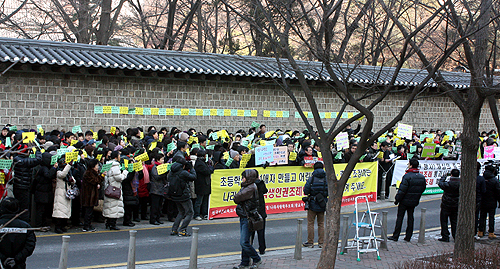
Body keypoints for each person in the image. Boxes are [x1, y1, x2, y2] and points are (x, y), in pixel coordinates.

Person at [388, 158, 426, 242]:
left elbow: (402, 190)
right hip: (414, 200)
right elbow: (423, 188)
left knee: (400, 218)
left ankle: (396, 236)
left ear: (411, 165)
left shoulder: (407, 176)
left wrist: (397, 199)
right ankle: (408, 236)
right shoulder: (421, 177)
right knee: (410, 217)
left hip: (404, 200)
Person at [233, 169, 262, 269]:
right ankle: (244, 262)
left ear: (249, 178)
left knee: (244, 242)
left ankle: (256, 258)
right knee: (245, 241)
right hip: (244, 216)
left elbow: (236, 198)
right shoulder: (247, 187)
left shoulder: (250, 188)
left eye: (244, 177)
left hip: (248, 217)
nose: (242, 179)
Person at [0, 198, 36, 269]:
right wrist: (17, 259)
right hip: (19, 264)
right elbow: (30, 245)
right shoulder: (25, 227)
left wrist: (3, 258)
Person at [302, 162, 328, 248]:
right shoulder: (326, 179)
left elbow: (306, 191)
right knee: (321, 223)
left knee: (310, 223)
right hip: (322, 203)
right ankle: (321, 243)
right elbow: (329, 191)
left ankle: (310, 242)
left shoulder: (312, 179)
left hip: (312, 203)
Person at [169, 157, 197, 236]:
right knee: (190, 213)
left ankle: (174, 229)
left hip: (174, 195)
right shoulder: (182, 173)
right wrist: (191, 168)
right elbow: (193, 177)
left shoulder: (171, 172)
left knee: (181, 212)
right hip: (183, 195)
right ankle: (182, 229)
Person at [103, 151, 129, 230]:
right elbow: (119, 178)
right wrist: (125, 172)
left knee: (109, 206)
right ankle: (112, 224)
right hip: (115, 189)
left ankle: (108, 223)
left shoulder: (107, 165)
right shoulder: (115, 166)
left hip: (108, 188)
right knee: (114, 207)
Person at [81, 159, 104, 232]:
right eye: (96, 165)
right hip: (88, 195)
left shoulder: (94, 172)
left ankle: (88, 225)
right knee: (88, 211)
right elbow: (95, 181)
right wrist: (102, 176)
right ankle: (86, 226)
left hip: (91, 195)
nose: (97, 167)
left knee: (90, 211)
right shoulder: (88, 173)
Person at [437, 169, 460, 242]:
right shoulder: (461, 184)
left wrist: (443, 177)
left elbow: (440, 183)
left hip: (446, 204)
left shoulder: (448, 184)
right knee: (454, 221)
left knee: (444, 221)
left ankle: (445, 236)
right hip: (456, 204)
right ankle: (455, 235)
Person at [478, 163, 500, 239]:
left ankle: (480, 231)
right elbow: (498, 192)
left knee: (482, 216)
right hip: (492, 201)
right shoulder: (495, 180)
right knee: (491, 217)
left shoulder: (482, 179)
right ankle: (491, 232)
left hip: (482, 200)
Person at [52, 159, 73, 234]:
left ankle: (63, 226)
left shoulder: (68, 172)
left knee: (64, 211)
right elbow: (62, 174)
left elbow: (73, 180)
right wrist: (69, 165)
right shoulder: (58, 172)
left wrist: (72, 180)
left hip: (66, 193)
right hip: (60, 193)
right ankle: (57, 227)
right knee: (59, 212)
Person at [250, 173, 268, 255]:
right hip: (261, 211)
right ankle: (262, 249)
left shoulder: (249, 185)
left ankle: (249, 248)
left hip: (252, 211)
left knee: (251, 232)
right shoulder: (260, 184)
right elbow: (265, 190)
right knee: (261, 232)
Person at [193, 149, 214, 221]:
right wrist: (210, 169)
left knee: (205, 200)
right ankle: (197, 214)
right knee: (199, 200)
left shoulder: (203, 163)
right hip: (201, 184)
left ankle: (205, 214)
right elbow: (207, 171)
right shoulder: (199, 163)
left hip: (206, 184)